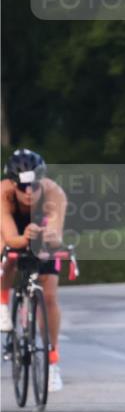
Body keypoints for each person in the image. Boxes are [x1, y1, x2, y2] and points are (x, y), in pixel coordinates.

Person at [0, 149, 68, 391]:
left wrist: (50, 236)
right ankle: (3, 303)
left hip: (41, 229)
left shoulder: (54, 193)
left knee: (49, 296)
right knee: (6, 254)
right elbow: (9, 237)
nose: (29, 193)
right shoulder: (3, 193)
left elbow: (57, 234)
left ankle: (52, 362)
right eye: (22, 187)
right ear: (12, 183)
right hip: (12, 231)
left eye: (34, 186)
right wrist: (22, 238)